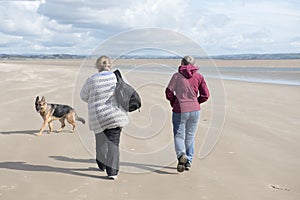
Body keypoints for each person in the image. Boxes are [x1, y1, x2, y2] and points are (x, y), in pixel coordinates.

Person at [80, 55, 129, 180]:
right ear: (110, 65)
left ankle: (102, 165)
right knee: (113, 143)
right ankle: (112, 172)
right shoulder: (116, 77)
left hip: (98, 116)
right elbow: (126, 92)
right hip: (115, 115)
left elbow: (83, 96)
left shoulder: (91, 80)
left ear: (97, 66)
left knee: (100, 141)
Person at [165, 56, 210, 172]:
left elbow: (168, 92)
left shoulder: (176, 76)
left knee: (179, 135)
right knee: (190, 135)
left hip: (180, 109)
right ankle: (188, 161)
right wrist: (196, 102)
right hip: (195, 110)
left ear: (181, 63)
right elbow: (206, 95)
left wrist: (174, 101)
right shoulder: (199, 76)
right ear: (194, 65)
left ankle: (181, 155)